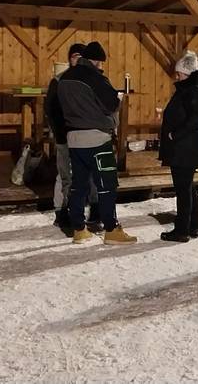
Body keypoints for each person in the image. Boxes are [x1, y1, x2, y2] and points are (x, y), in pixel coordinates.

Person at [57, 41, 137, 245]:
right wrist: (118, 98)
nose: (101, 67)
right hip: (97, 139)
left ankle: (79, 229)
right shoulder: (95, 78)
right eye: (100, 63)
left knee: (79, 185)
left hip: (74, 139)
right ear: (94, 61)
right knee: (106, 184)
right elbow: (110, 104)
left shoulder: (64, 78)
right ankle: (111, 229)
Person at [159, 51, 198, 243]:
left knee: (183, 189)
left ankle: (182, 230)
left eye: (179, 73)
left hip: (185, 147)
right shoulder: (192, 89)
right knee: (188, 187)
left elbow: (197, 118)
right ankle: (194, 225)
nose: (177, 76)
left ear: (186, 73)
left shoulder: (195, 90)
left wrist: (175, 133)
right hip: (185, 146)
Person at [46, 43, 89, 237]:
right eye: (74, 56)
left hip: (84, 136)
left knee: (83, 176)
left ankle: (84, 210)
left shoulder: (89, 80)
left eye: (81, 56)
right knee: (64, 175)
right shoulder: (58, 80)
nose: (77, 60)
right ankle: (61, 211)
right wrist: (59, 133)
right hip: (65, 135)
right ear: (69, 58)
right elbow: (51, 109)